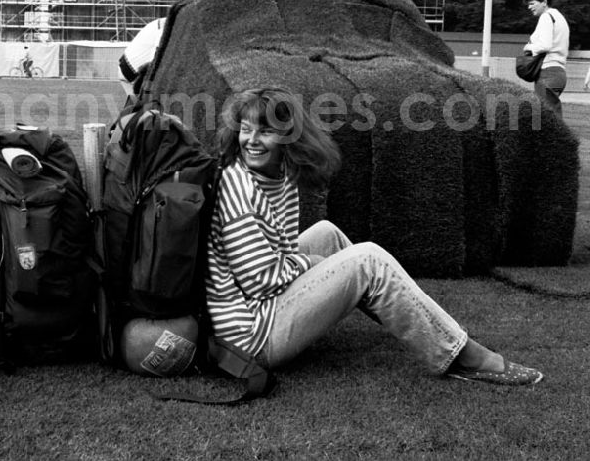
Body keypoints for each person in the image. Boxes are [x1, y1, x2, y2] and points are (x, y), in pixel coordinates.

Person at [206, 87, 543, 386]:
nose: (251, 140)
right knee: (367, 260)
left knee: (328, 234)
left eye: (265, 131)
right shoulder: (237, 183)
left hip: (267, 309)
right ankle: (461, 355)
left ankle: (414, 319)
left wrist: (307, 262)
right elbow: (261, 279)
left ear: (289, 136)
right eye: (245, 130)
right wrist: (310, 263)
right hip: (250, 336)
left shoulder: (281, 177)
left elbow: (280, 253)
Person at [523, 0, 569, 117]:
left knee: (544, 121)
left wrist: (528, 47)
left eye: (532, 3)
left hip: (548, 73)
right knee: (551, 119)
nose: (529, 7)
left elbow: (545, 45)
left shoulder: (546, 17)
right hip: (559, 73)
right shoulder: (559, 17)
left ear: (544, 2)